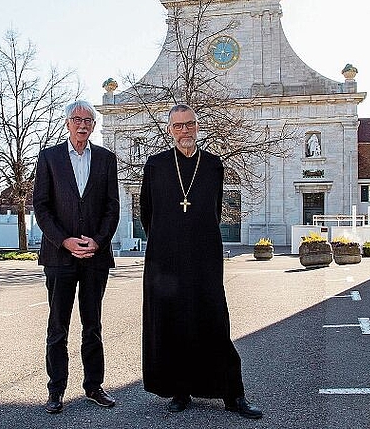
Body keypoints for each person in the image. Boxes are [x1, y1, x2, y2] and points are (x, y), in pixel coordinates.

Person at [140, 104, 263, 420]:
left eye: (190, 124)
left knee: (213, 322)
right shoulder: (155, 166)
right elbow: (147, 213)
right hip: (166, 259)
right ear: (170, 130)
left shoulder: (212, 165)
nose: (185, 131)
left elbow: (216, 210)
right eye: (178, 126)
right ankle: (180, 391)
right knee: (174, 323)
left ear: (198, 126)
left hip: (204, 257)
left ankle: (233, 395)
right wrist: (167, 243)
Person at [32, 100, 120, 414]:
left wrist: (97, 241)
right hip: (59, 258)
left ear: (94, 126)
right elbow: (41, 207)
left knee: (92, 326)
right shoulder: (49, 158)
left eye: (87, 120)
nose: (82, 124)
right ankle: (55, 391)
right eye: (76, 119)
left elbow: (113, 208)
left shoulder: (107, 160)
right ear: (67, 123)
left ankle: (94, 386)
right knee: (58, 327)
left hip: (96, 258)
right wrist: (64, 240)